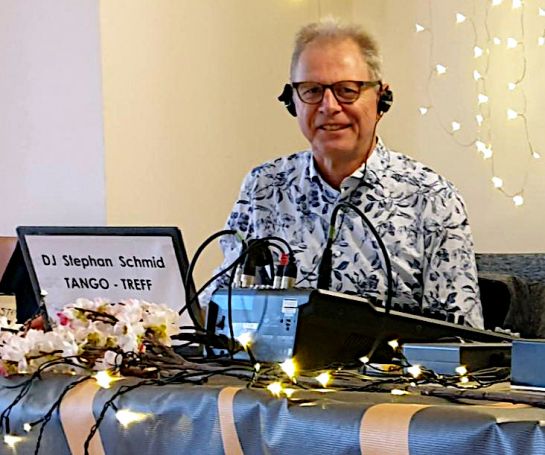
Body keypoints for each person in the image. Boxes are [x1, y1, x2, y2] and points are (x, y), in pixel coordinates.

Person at [213, 19, 484, 329]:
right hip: (268, 375)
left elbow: (461, 338)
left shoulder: (433, 198)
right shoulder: (263, 187)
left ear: (382, 99)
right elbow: (219, 307)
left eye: (347, 91)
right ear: (292, 102)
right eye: (312, 90)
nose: (329, 106)